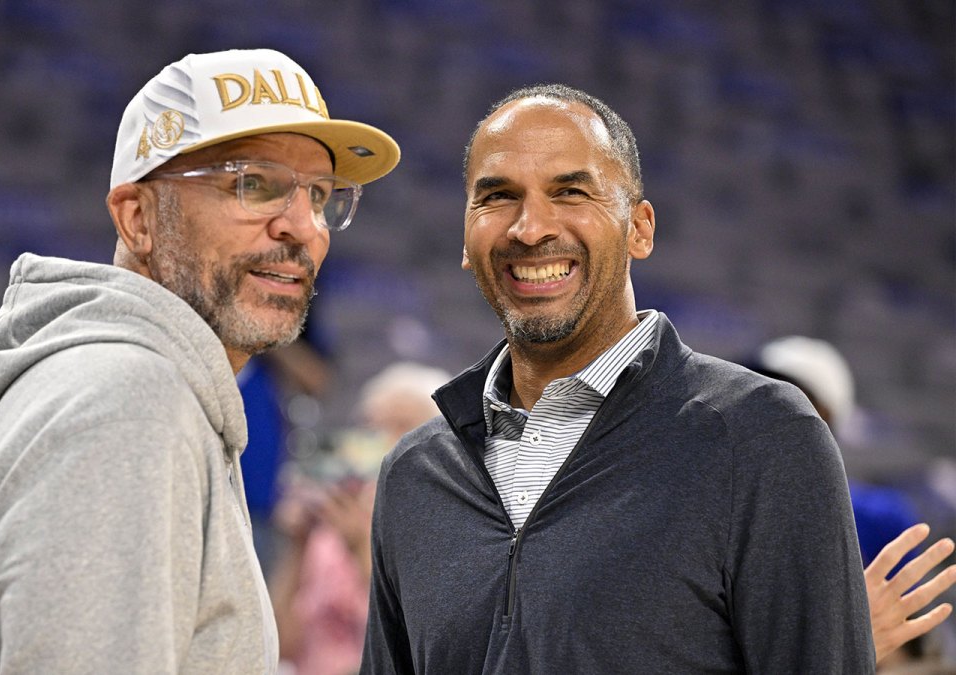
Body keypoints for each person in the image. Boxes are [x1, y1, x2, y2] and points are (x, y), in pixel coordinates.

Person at [0, 48, 399, 673]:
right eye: (254, 184)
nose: (304, 227)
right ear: (139, 218)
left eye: (319, 195)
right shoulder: (128, 406)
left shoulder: (143, 389)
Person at [361, 84, 875, 672]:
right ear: (465, 236)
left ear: (640, 228)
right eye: (498, 197)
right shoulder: (414, 473)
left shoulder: (760, 436)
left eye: (571, 192)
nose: (530, 229)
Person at [752, 335, 956, 669]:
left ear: (828, 415)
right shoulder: (709, 501)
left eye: (789, 392)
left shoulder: (877, 515)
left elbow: (912, 643)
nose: (767, 403)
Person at [270, 361, 450, 675]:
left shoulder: (448, 526)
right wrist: (297, 547)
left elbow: (420, 644)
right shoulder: (329, 525)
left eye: (402, 426)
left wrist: (359, 547)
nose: (384, 441)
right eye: (372, 428)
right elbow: (279, 644)